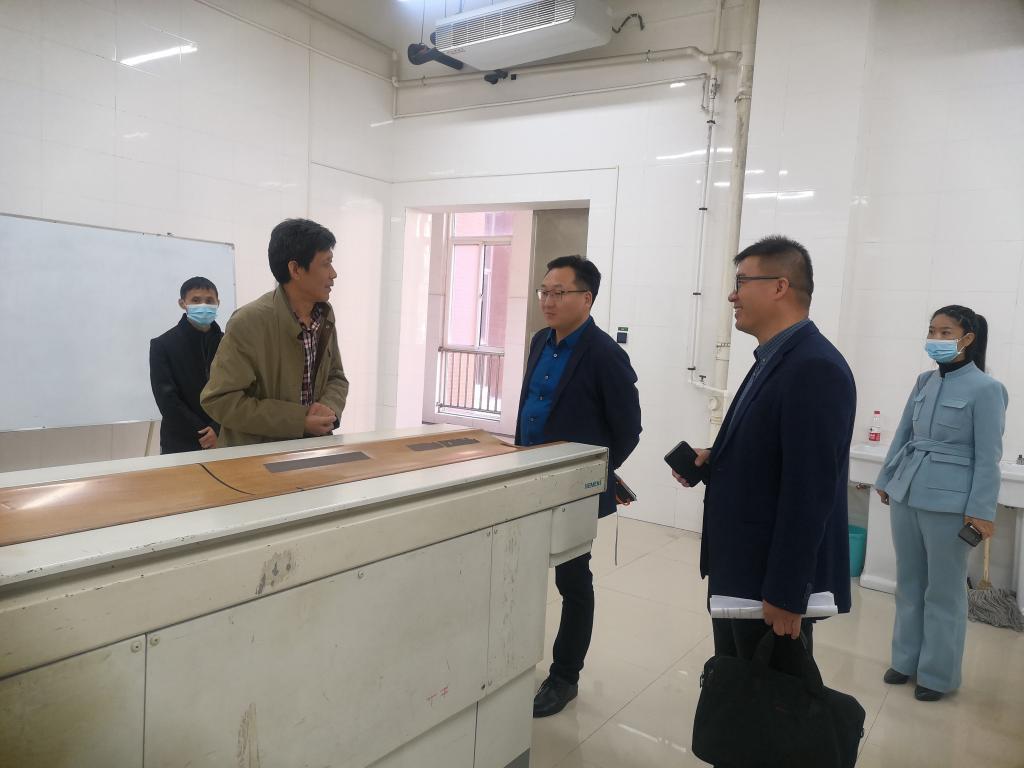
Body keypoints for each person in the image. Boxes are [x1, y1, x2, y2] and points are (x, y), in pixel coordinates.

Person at [675, 235, 856, 664]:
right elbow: (777, 454)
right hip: (744, 567)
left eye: (742, 282)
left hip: (769, 584)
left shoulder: (814, 367)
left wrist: (786, 592)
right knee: (737, 680)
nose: (733, 296)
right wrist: (717, 458)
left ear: (779, 286)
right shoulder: (774, 358)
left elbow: (810, 492)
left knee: (767, 694)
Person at [517, 255, 642, 718]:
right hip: (527, 478)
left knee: (572, 580)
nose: (548, 301)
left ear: (586, 298)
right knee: (521, 571)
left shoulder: (605, 355)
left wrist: (595, 474)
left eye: (559, 293)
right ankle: (514, 659)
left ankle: (565, 675)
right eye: (544, 291)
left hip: (573, 489)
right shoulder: (540, 341)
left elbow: (628, 428)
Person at [875, 305, 1006, 702]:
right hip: (907, 493)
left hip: (951, 504)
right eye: (932, 330)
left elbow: (988, 457)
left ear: (968, 338)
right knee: (909, 584)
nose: (936, 338)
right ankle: (905, 660)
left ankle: (937, 674)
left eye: (945, 332)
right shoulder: (924, 381)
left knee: (945, 592)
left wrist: (981, 511)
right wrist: (886, 479)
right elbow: (904, 434)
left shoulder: (986, 389)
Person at [201, 218, 349, 447]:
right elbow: (220, 400)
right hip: (258, 459)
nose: (333, 274)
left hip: (313, 450)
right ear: (295, 269)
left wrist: (328, 408)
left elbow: (336, 377)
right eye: (326, 263)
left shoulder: (324, 316)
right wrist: (298, 421)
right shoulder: (248, 322)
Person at [149, 276, 224, 454]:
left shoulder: (228, 342)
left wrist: (218, 428)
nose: (203, 305)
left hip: (223, 436)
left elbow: (238, 389)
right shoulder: (163, 345)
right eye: (196, 300)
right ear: (183, 303)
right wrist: (203, 432)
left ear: (218, 303)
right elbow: (167, 399)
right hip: (180, 442)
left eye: (209, 300)